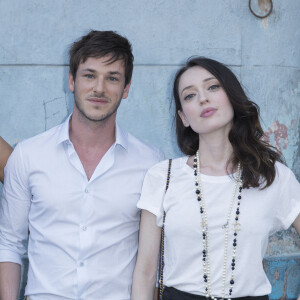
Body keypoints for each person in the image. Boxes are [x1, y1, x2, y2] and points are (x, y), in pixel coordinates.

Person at [0, 30, 163, 300]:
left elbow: (154, 261)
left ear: (126, 88)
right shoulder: (29, 155)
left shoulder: (150, 163)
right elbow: (9, 242)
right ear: (72, 81)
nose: (99, 88)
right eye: (89, 75)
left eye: (112, 78)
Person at [132, 57, 300, 300]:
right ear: (184, 118)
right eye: (190, 95)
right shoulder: (163, 176)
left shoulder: (272, 176)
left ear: (232, 96)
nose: (203, 98)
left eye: (212, 87)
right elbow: (145, 272)